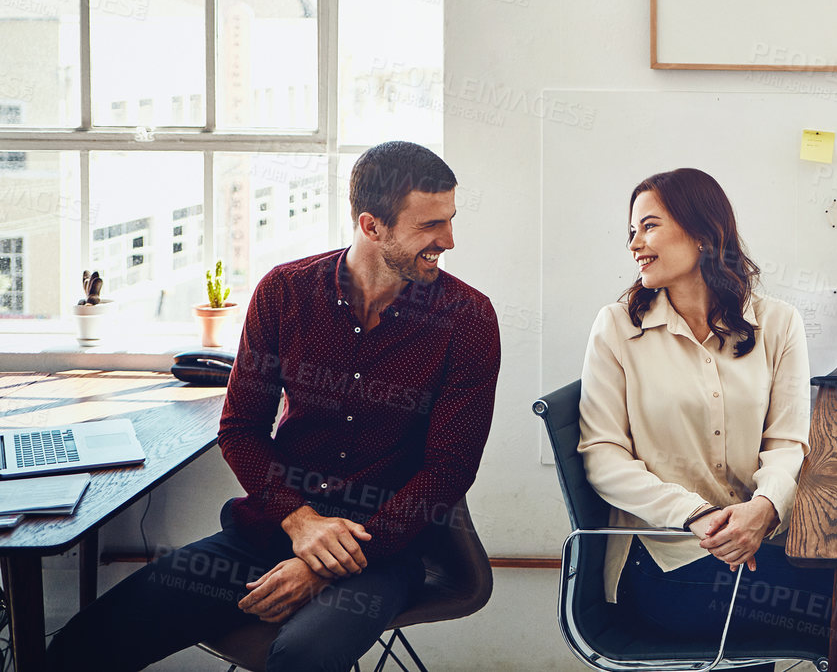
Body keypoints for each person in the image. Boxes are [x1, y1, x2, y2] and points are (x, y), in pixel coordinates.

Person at [50, 142, 502, 672]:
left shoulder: (468, 319)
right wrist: (300, 522)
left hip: (382, 550)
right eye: (430, 225)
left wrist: (323, 566)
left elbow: (447, 469)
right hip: (270, 531)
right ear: (372, 226)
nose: (448, 241)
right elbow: (240, 428)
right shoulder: (284, 292)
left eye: (449, 220)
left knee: (300, 656)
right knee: (81, 646)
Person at [578, 167, 837, 669]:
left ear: (703, 232)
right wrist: (696, 515)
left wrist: (764, 509)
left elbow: (786, 441)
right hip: (671, 562)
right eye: (631, 231)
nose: (634, 244)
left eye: (648, 226)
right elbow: (602, 457)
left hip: (767, 539)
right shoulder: (616, 328)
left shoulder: (777, 324)